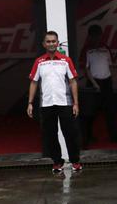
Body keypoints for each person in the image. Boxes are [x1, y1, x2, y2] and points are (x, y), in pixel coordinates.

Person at [27, 32, 82, 175]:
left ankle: (75, 161)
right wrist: (30, 103)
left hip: (64, 103)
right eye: (48, 41)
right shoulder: (39, 62)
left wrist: (76, 103)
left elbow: (73, 81)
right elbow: (34, 82)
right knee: (50, 134)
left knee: (70, 133)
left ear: (57, 43)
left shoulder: (65, 60)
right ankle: (57, 162)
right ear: (44, 44)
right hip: (46, 104)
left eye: (53, 41)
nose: (51, 44)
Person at [80, 24, 117, 147]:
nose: (96, 38)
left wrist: (111, 80)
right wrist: (94, 84)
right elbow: (86, 69)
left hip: (107, 82)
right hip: (93, 84)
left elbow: (110, 65)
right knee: (90, 113)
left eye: (98, 35)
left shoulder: (105, 48)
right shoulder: (86, 50)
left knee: (111, 111)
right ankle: (87, 137)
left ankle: (114, 136)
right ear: (89, 36)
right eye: (93, 36)